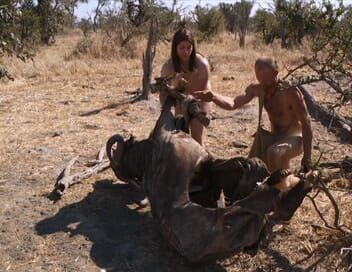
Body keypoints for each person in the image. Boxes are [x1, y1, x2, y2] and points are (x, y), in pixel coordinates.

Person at [193, 56, 313, 173]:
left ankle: (281, 188)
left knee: (274, 152)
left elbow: (306, 122)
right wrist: (213, 97)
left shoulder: (290, 92)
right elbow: (233, 103)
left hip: (295, 138)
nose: (262, 80)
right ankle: (278, 185)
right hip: (273, 137)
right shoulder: (258, 89)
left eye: (265, 76)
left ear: (276, 73)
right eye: (259, 76)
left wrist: (307, 157)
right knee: (251, 168)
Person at [159, 27, 212, 146]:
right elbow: (164, 95)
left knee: (197, 139)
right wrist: (169, 114)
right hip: (179, 102)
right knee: (179, 140)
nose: (186, 52)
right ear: (175, 48)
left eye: (189, 47)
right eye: (182, 48)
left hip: (199, 99)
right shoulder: (168, 68)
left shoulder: (201, 65)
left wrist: (198, 112)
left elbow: (203, 93)